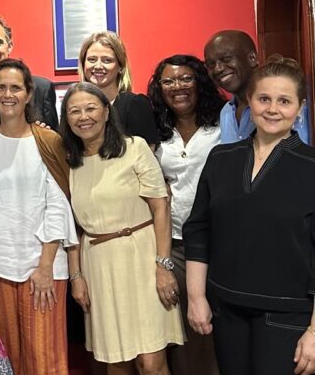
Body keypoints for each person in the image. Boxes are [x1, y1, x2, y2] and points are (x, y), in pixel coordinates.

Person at [184, 56, 315, 374]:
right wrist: (196, 296)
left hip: (288, 314)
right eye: (264, 99)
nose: (273, 109)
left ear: (299, 108)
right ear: (250, 102)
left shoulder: (311, 166)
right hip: (226, 306)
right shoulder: (221, 158)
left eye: (284, 101)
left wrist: (314, 332)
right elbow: (199, 230)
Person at [0, 58, 78, 374]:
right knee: (1, 357)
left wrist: (45, 266)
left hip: (42, 268)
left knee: (44, 357)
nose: (7, 94)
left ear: (28, 94)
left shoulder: (49, 143)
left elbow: (57, 208)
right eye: (1, 88)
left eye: (15, 88)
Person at [61, 82, 184, 374]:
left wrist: (163, 266)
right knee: (115, 361)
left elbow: (161, 207)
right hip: (98, 267)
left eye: (90, 108)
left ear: (106, 111)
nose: (83, 116)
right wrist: (75, 276)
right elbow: (71, 227)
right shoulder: (69, 163)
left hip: (143, 259)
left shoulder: (135, 148)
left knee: (151, 362)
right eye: (74, 111)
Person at [147, 55, 223, 375]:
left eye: (186, 79)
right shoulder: (156, 131)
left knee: (217, 328)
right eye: (169, 81)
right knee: (183, 333)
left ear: (200, 82)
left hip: (221, 242)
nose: (178, 87)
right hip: (176, 244)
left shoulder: (223, 123)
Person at [204, 29, 310, 144]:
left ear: (252, 58)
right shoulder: (226, 112)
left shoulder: (286, 105)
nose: (218, 68)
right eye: (211, 64)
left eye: (226, 59)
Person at [79, 31, 159, 147]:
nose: (98, 66)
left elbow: (146, 158)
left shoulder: (135, 104)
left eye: (107, 60)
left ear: (120, 67)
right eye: (92, 59)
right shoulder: (74, 108)